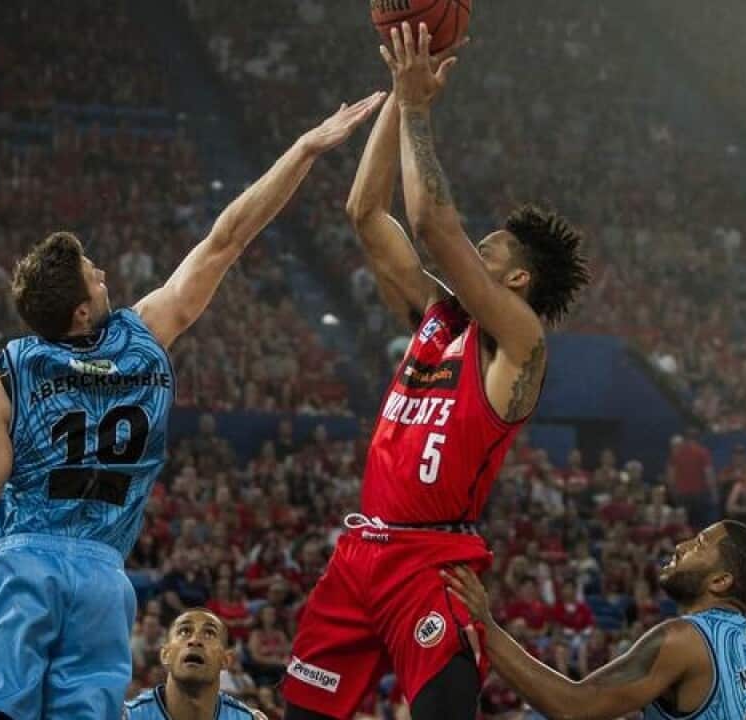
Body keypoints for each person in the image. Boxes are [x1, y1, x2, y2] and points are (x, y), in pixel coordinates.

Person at [0, 93, 386, 719]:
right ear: (83, 310)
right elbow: (225, 240)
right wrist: (303, 149)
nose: (104, 273)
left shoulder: (4, 383)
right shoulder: (143, 339)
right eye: (94, 274)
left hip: (25, 567)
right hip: (103, 584)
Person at [282, 25, 589, 720]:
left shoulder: (519, 340)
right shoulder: (437, 314)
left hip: (432, 562)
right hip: (361, 552)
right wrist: (400, 93)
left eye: (489, 249)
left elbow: (430, 223)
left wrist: (419, 109)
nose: (471, 249)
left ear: (517, 279)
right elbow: (366, 213)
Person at [443, 521, 746, 720]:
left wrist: (484, 623)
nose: (681, 545)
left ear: (720, 581)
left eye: (700, 544)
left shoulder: (686, 639)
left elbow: (572, 708)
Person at [123, 609, 266, 720]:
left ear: (226, 660)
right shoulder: (127, 717)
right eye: (184, 631)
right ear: (165, 655)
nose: (195, 640)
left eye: (209, 633)